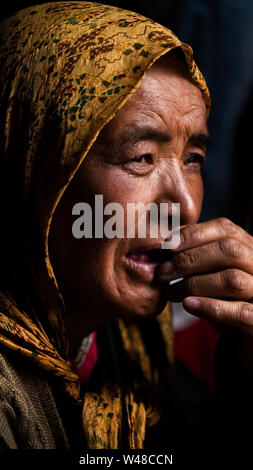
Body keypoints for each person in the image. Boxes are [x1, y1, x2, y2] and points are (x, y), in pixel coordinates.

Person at [0, 2, 253, 454]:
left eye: (193, 159)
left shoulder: (138, 344)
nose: (186, 206)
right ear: (34, 172)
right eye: (141, 158)